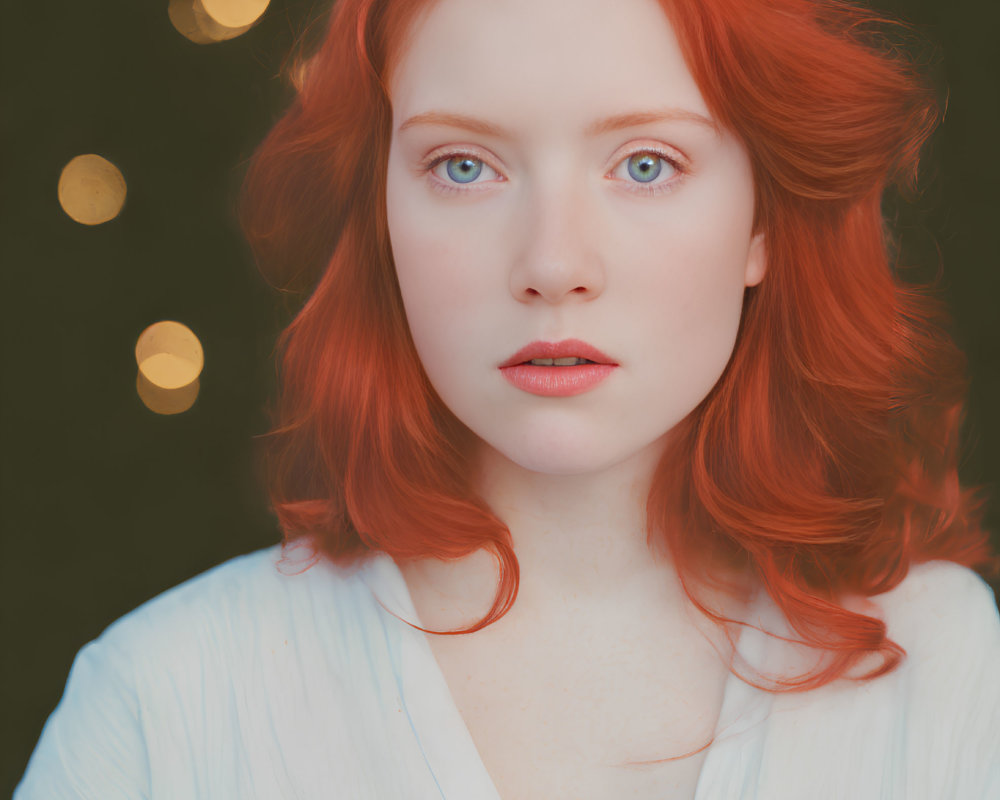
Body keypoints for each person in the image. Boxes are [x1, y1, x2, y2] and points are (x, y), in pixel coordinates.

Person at [16, 0, 1000, 796]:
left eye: (645, 164)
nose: (553, 263)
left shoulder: (946, 666)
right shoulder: (169, 699)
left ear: (764, 219)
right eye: (463, 166)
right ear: (382, 215)